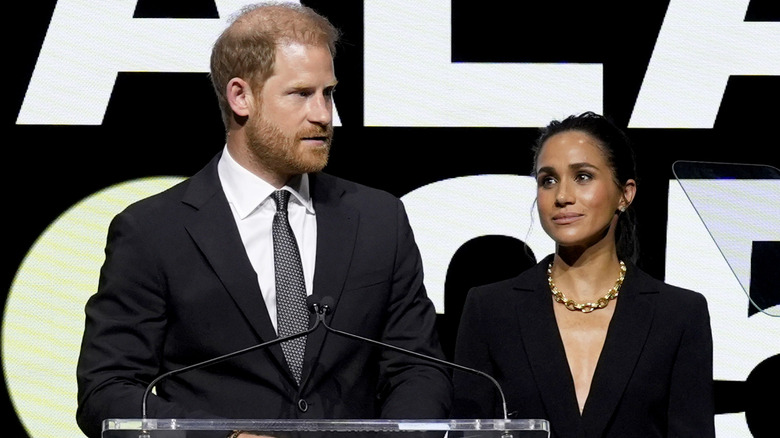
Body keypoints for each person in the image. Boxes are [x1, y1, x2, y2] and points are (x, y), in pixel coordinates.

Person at [75, 3, 452, 438]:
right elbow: (107, 389)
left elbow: (420, 369)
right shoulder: (153, 231)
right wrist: (224, 437)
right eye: (300, 94)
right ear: (241, 97)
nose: (324, 115)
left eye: (328, 93)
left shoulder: (378, 219)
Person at [451, 111, 714, 437]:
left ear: (625, 194)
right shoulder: (490, 310)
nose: (562, 196)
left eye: (583, 177)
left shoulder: (679, 315)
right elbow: (470, 430)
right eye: (548, 180)